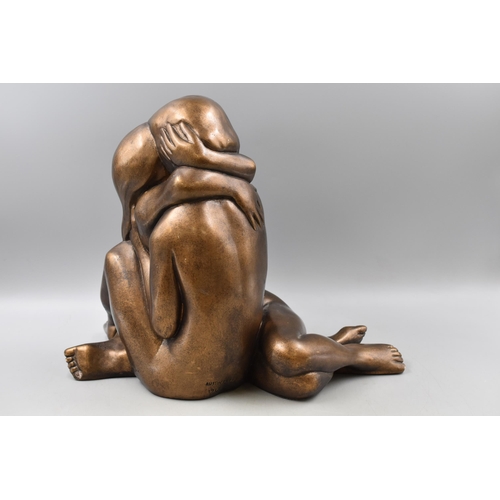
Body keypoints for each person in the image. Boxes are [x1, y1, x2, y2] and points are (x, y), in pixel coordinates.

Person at [65, 96, 404, 400]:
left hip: (184, 377)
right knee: (300, 382)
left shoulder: (170, 228)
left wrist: (143, 254)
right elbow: (244, 292)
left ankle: (120, 348)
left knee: (118, 258)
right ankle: (334, 352)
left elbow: (165, 326)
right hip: (241, 351)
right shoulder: (247, 200)